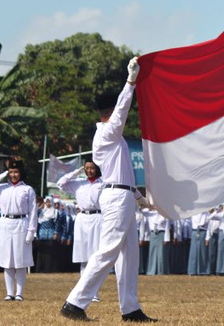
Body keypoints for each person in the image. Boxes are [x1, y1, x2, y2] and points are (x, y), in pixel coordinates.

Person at [61, 57, 157, 322]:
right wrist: (130, 82)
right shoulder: (106, 133)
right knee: (108, 251)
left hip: (123, 194)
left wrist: (141, 199)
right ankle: (74, 302)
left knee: (129, 256)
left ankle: (130, 308)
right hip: (115, 196)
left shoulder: (114, 138)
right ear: (110, 111)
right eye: (116, 110)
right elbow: (123, 111)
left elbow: (124, 177)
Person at [56, 158, 103, 301]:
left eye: (92, 168)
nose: (89, 171)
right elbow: (60, 183)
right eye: (87, 168)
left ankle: (94, 293)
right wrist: (76, 172)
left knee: (95, 256)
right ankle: (83, 292)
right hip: (82, 219)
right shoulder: (78, 183)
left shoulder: (103, 183)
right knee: (83, 257)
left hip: (97, 218)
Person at [0, 160, 38, 301]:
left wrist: (32, 231)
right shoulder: (0, 188)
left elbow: (33, 211)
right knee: (7, 260)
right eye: (11, 172)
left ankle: (19, 293)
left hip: (21, 223)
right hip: (5, 223)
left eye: (16, 172)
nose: (13, 175)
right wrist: (2, 174)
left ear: (21, 173)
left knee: (20, 260)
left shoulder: (27, 189)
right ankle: (9, 292)